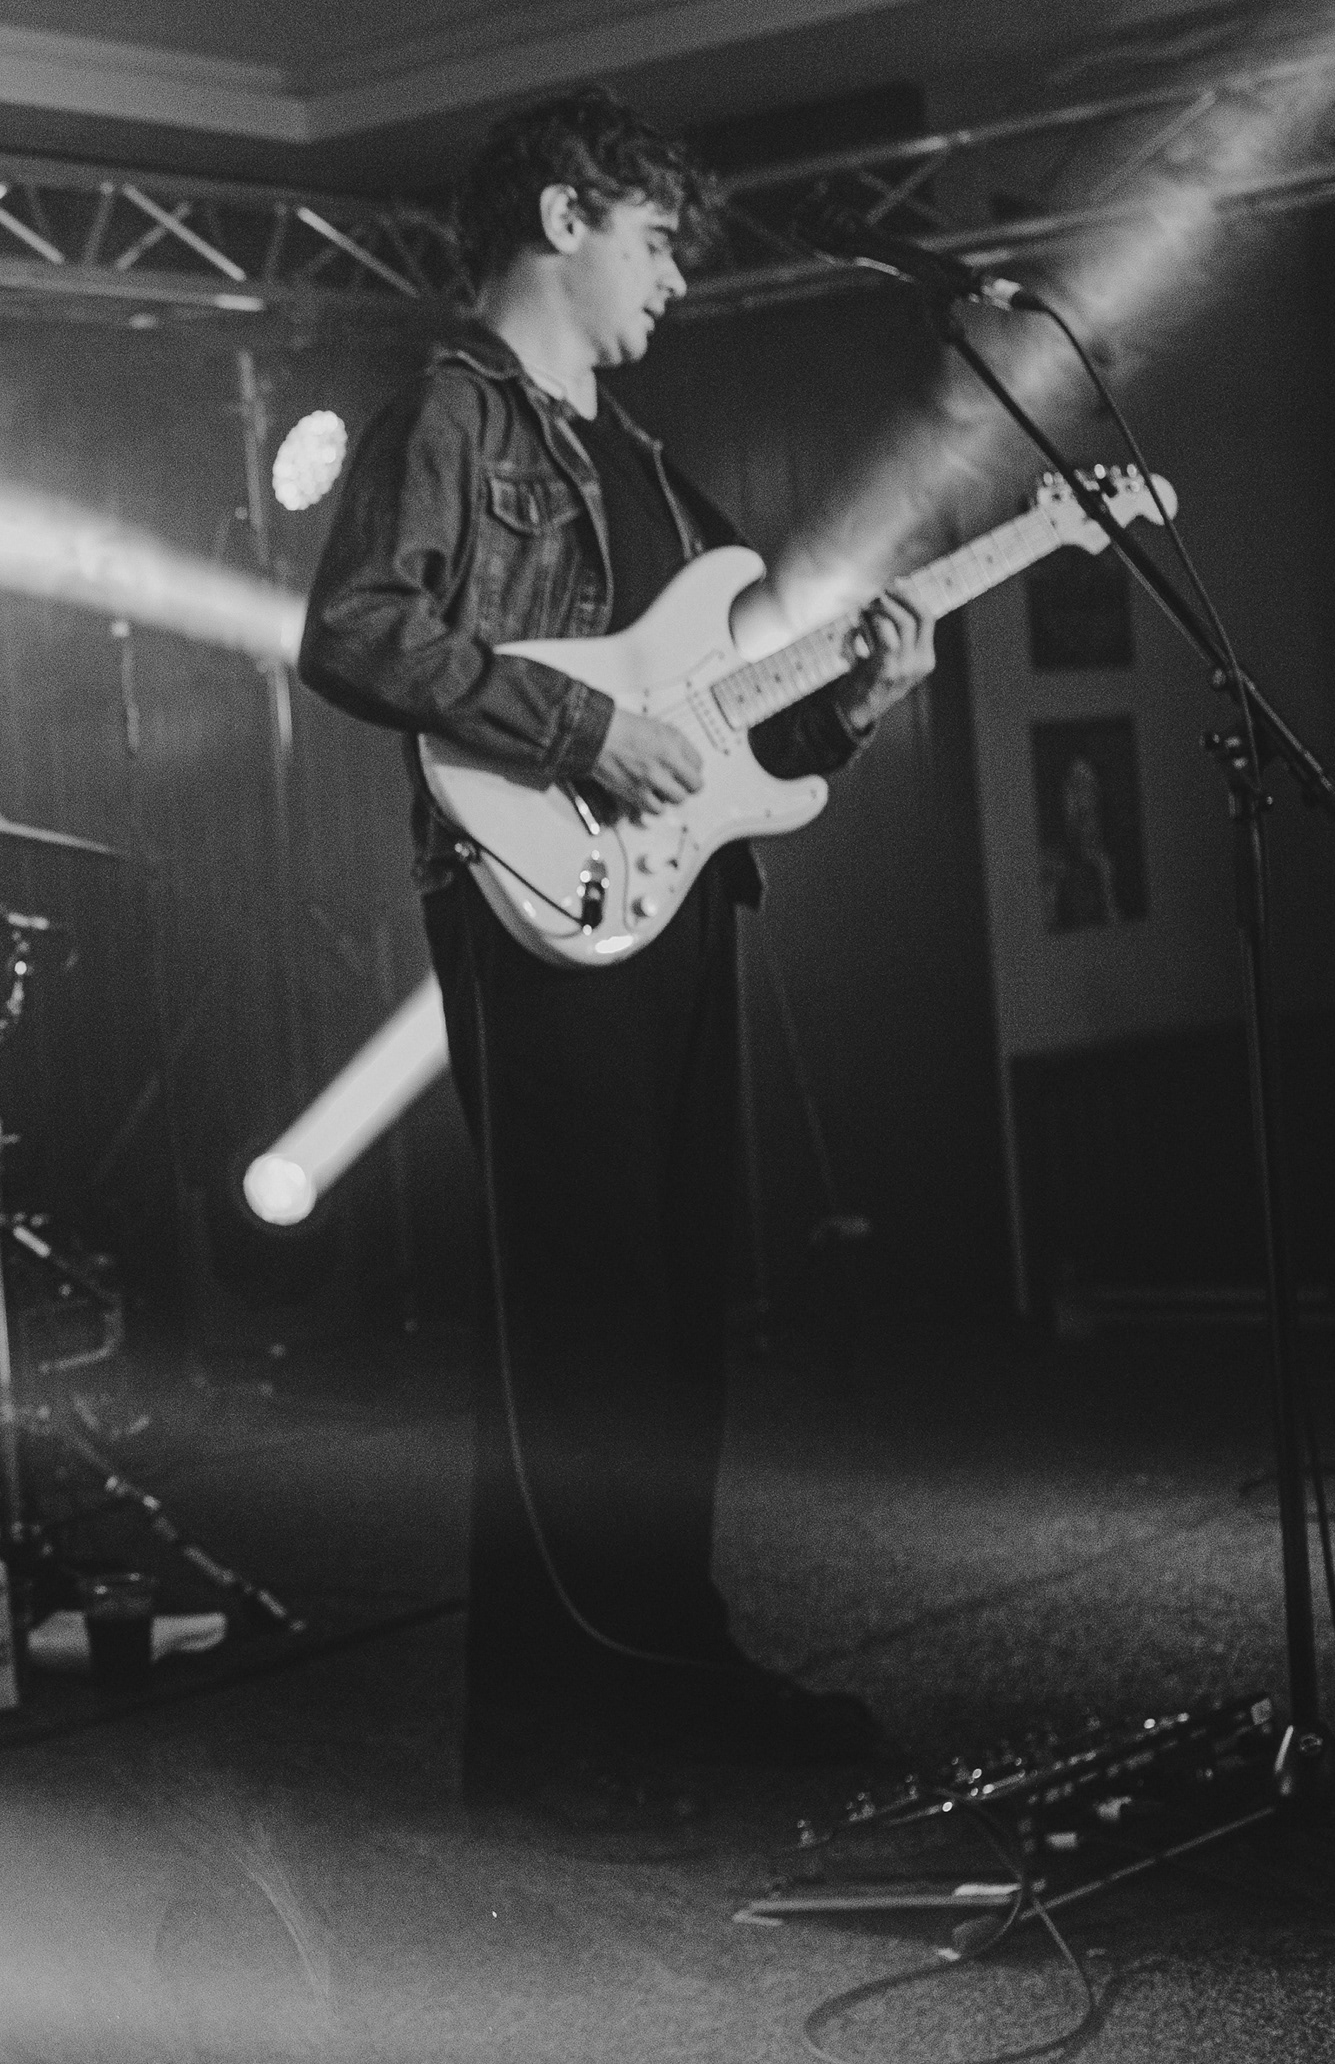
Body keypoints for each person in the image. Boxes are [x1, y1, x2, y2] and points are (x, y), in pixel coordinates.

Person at [300, 88, 936, 1823]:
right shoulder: (451, 410)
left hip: (672, 906)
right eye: (656, 240)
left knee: (668, 1309)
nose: (675, 279)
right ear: (565, 216)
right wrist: (582, 735)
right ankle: (552, 1731)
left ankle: (670, 1665)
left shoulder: (648, 464)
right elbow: (356, 629)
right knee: (576, 1316)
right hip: (535, 902)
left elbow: (720, 736)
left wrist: (853, 708)